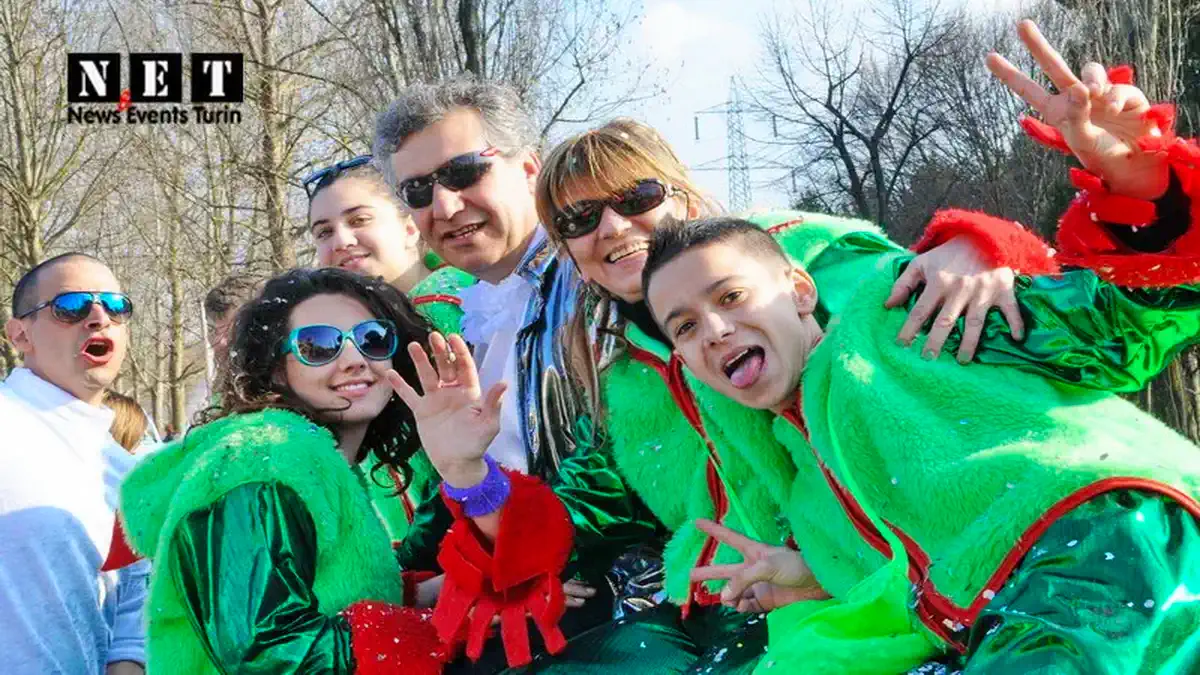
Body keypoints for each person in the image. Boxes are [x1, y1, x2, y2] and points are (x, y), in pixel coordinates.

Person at [639, 45, 1200, 667]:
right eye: (685, 327)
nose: (715, 330)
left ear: (800, 291)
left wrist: (1141, 183)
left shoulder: (909, 314)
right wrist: (810, 575)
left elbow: (1115, 332)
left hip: (1101, 534)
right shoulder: (809, 498)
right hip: (1003, 619)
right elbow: (908, 570)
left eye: (731, 296)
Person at [119, 268, 466, 673]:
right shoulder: (263, 459)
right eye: (319, 346)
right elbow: (265, 650)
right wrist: (429, 631)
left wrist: (420, 595)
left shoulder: (318, 458)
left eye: (372, 339)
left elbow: (320, 591)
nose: (355, 360)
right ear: (276, 368)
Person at [305, 155, 474, 542]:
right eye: (324, 232)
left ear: (410, 226)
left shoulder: (445, 310)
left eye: (359, 220)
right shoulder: (361, 333)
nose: (342, 241)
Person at [0, 252, 147, 674]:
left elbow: (131, 611)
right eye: (71, 306)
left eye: (116, 306)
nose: (99, 317)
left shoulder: (127, 474)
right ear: (20, 334)